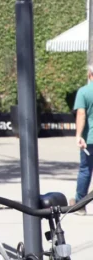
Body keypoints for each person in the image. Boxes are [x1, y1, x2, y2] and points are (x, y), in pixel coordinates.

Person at [70, 65, 93, 215]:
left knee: (85, 170)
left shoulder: (84, 92)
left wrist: (78, 135)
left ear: (90, 74)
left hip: (90, 140)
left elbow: (81, 115)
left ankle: (80, 204)